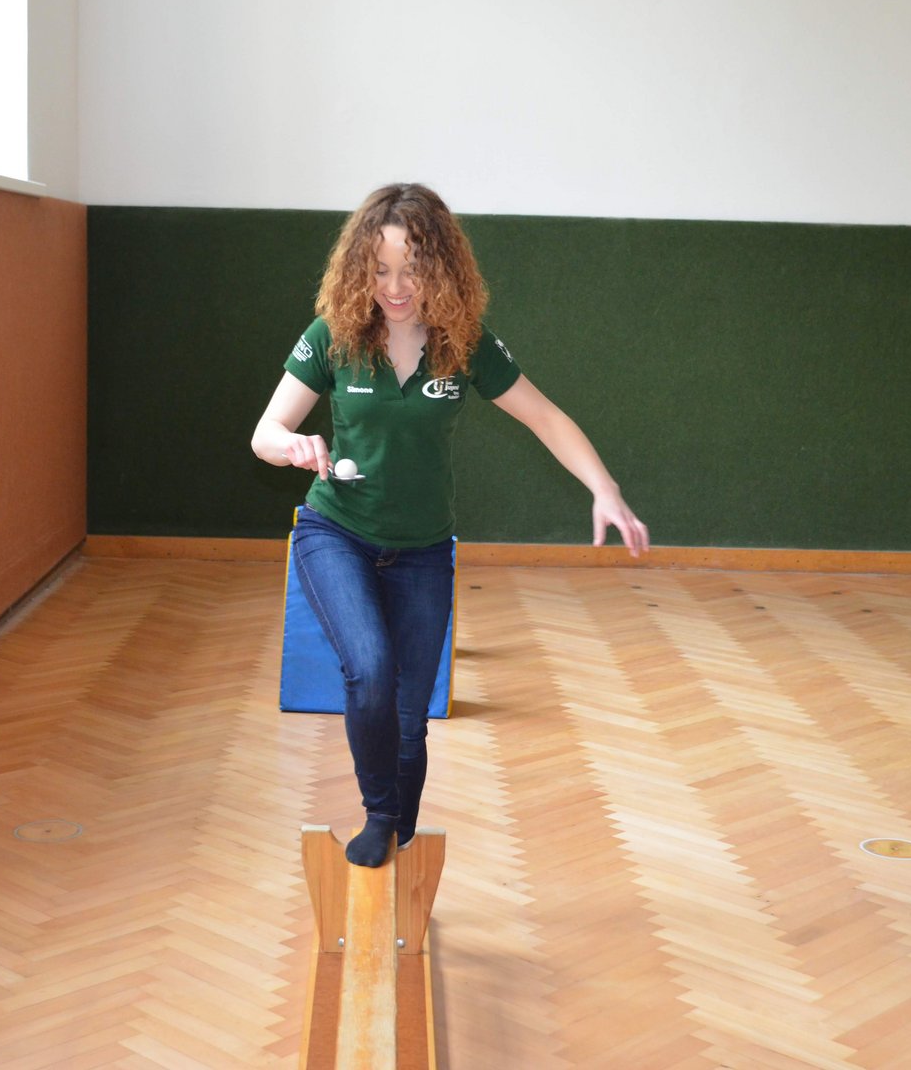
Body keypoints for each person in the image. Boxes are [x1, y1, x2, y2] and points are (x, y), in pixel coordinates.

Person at [251, 183, 649, 867]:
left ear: (439, 268)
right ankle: (379, 816)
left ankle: (399, 835)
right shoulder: (333, 337)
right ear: (359, 269)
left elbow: (546, 416)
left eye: (410, 269)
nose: (394, 287)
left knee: (411, 717)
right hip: (336, 532)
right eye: (379, 270)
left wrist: (604, 488)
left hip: (423, 551)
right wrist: (291, 445)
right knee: (369, 671)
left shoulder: (462, 344)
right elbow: (265, 432)